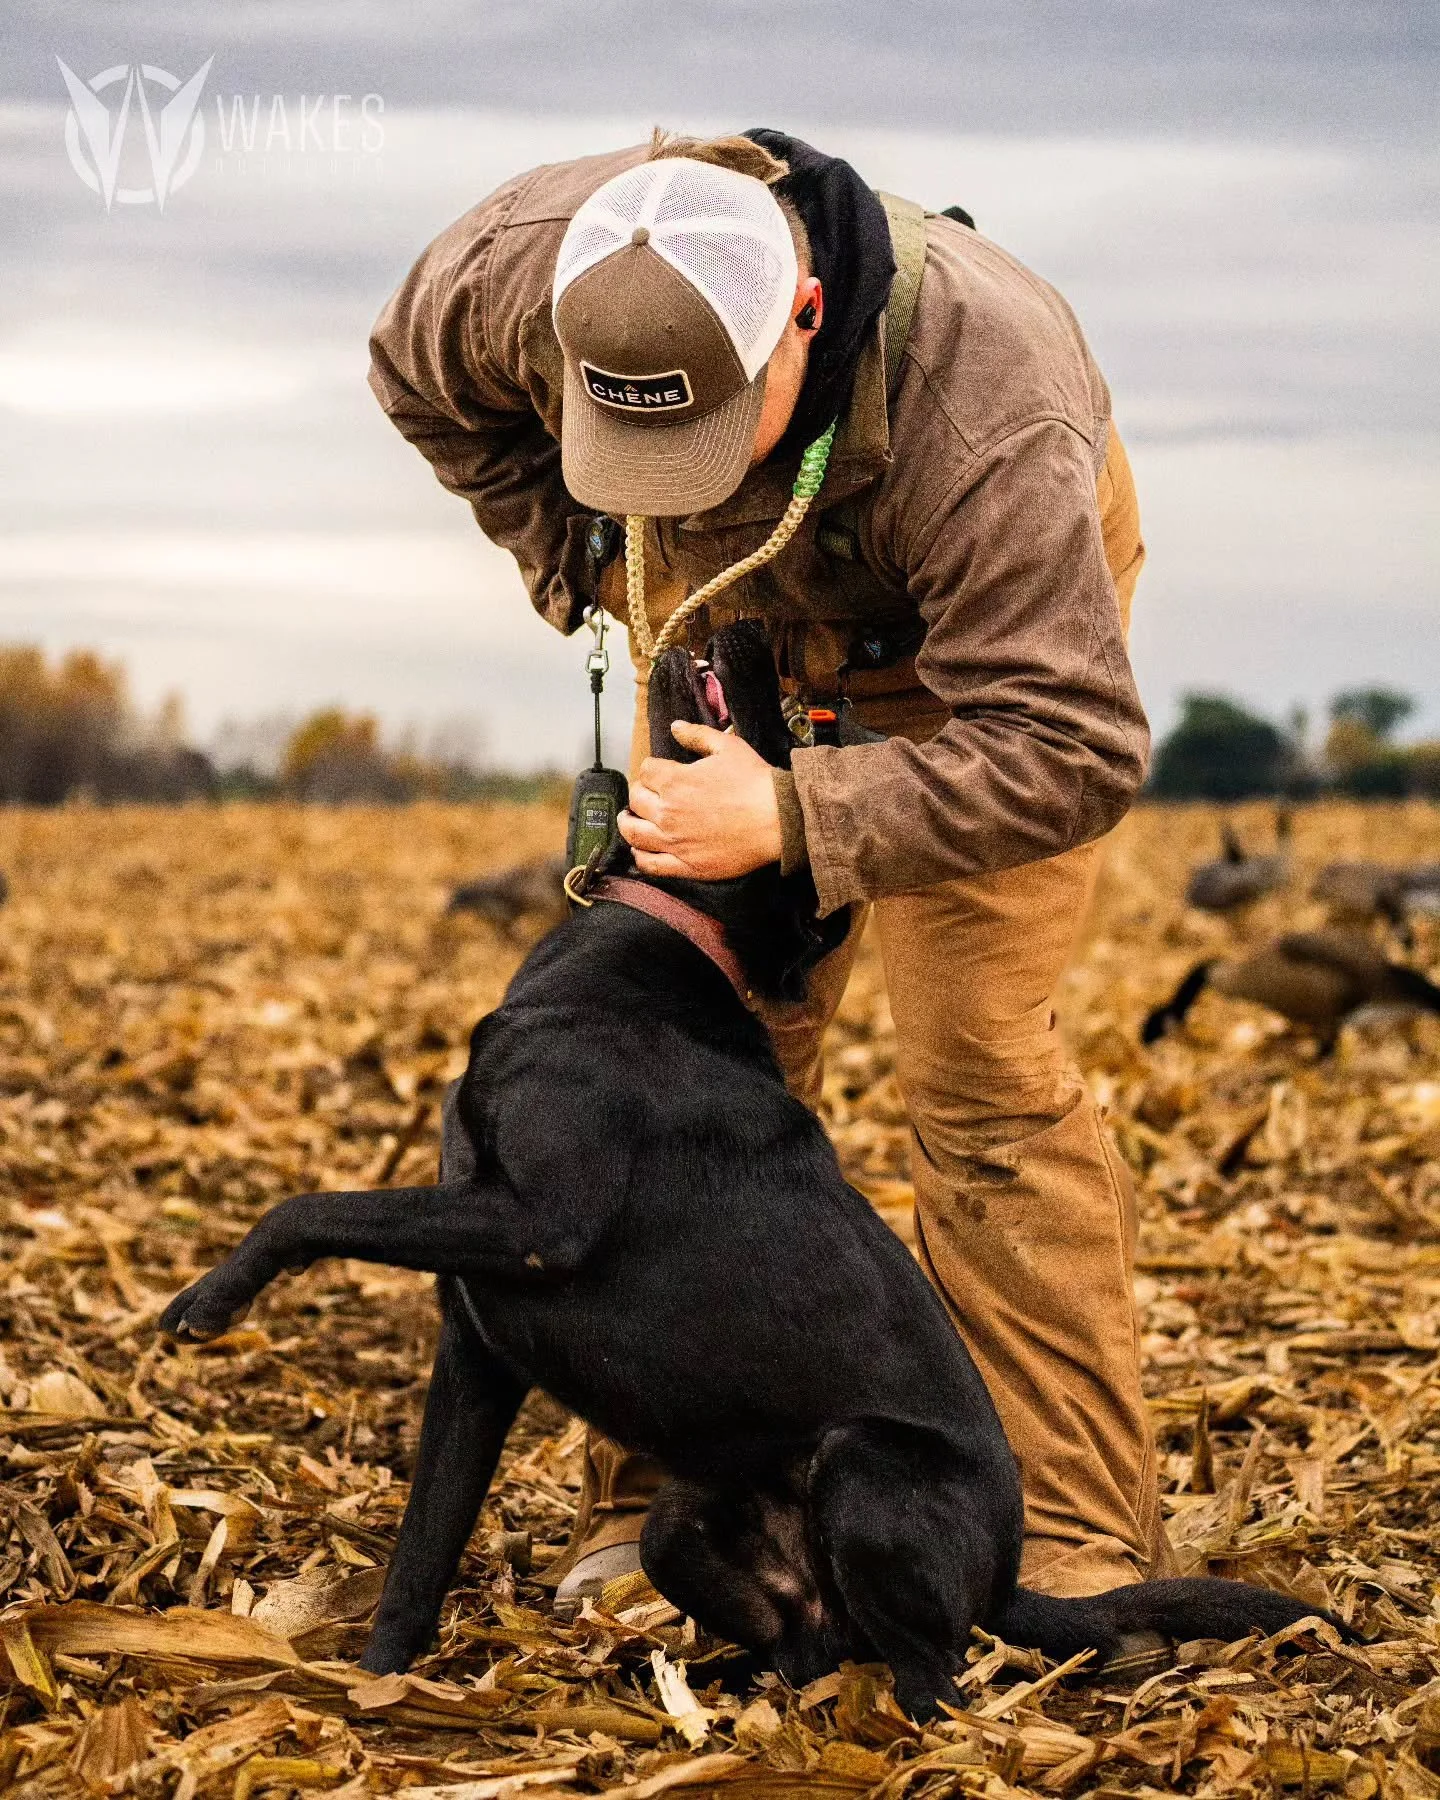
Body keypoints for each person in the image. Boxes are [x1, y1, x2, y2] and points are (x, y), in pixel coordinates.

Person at [368, 128, 1169, 1611]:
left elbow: (1073, 744)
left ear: (802, 317)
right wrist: (585, 562)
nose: (674, 473)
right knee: (663, 1050)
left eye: (704, 433)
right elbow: (418, 384)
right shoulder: (497, 279)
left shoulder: (992, 414)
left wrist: (801, 823)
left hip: (968, 663)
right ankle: (669, 1500)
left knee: (981, 1072)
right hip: (720, 614)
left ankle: (1069, 1538)